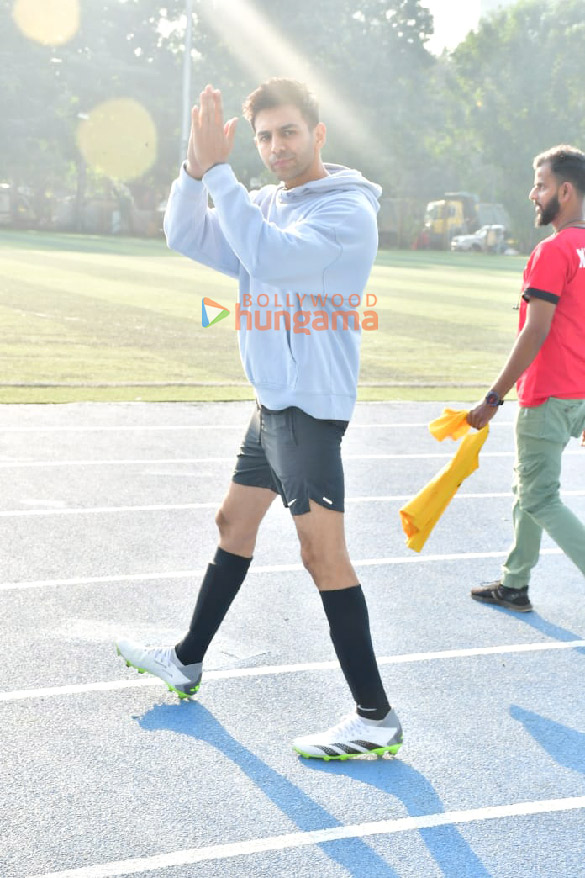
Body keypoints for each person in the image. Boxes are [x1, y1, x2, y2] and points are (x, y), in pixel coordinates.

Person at [116, 79, 403, 760]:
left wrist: (220, 170)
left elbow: (270, 255)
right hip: (272, 402)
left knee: (321, 554)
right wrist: (194, 170)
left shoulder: (343, 214)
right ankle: (187, 659)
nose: (276, 148)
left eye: (289, 133)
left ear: (318, 134)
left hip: (307, 408)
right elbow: (185, 231)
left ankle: (374, 717)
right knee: (233, 523)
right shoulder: (268, 202)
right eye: (265, 137)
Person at [467, 145, 585, 612]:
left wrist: (493, 397)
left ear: (565, 190)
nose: (532, 194)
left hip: (547, 395)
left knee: (540, 496)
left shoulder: (553, 251)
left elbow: (536, 331)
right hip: (578, 393)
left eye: (539, 185)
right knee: (528, 488)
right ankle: (515, 583)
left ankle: (516, 583)